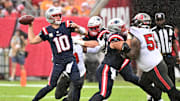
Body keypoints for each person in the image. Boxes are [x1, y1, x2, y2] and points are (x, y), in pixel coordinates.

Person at [27, 6, 87, 101]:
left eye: (59, 15)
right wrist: (30, 26)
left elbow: (85, 33)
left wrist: (78, 27)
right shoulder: (46, 31)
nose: (58, 17)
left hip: (70, 60)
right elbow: (33, 40)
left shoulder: (67, 25)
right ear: (49, 18)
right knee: (50, 86)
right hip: (58, 63)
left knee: (77, 83)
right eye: (55, 16)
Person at [123, 13, 180, 101]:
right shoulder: (148, 31)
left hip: (155, 67)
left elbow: (134, 55)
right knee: (143, 83)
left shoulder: (138, 37)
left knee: (170, 90)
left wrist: (124, 54)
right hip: (150, 67)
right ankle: (157, 98)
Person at [152, 12, 180, 85]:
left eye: (161, 20)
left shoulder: (170, 29)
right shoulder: (152, 31)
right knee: (159, 76)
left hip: (168, 55)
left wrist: (177, 55)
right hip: (159, 57)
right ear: (155, 21)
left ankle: (173, 94)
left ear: (164, 20)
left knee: (171, 76)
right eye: (158, 20)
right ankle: (158, 95)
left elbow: (174, 42)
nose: (159, 22)